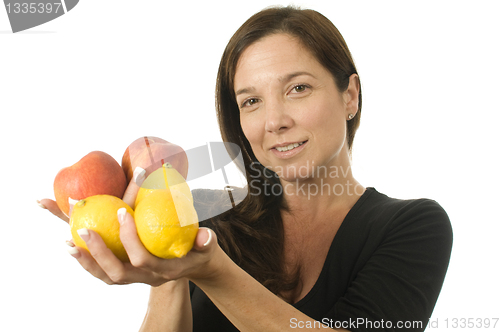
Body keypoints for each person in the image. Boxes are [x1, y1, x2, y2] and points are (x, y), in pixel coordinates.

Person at [39, 6, 453, 331]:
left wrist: (210, 270)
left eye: (298, 88)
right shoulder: (205, 216)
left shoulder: (415, 226)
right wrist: (164, 269)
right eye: (251, 101)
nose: (274, 122)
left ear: (350, 95)